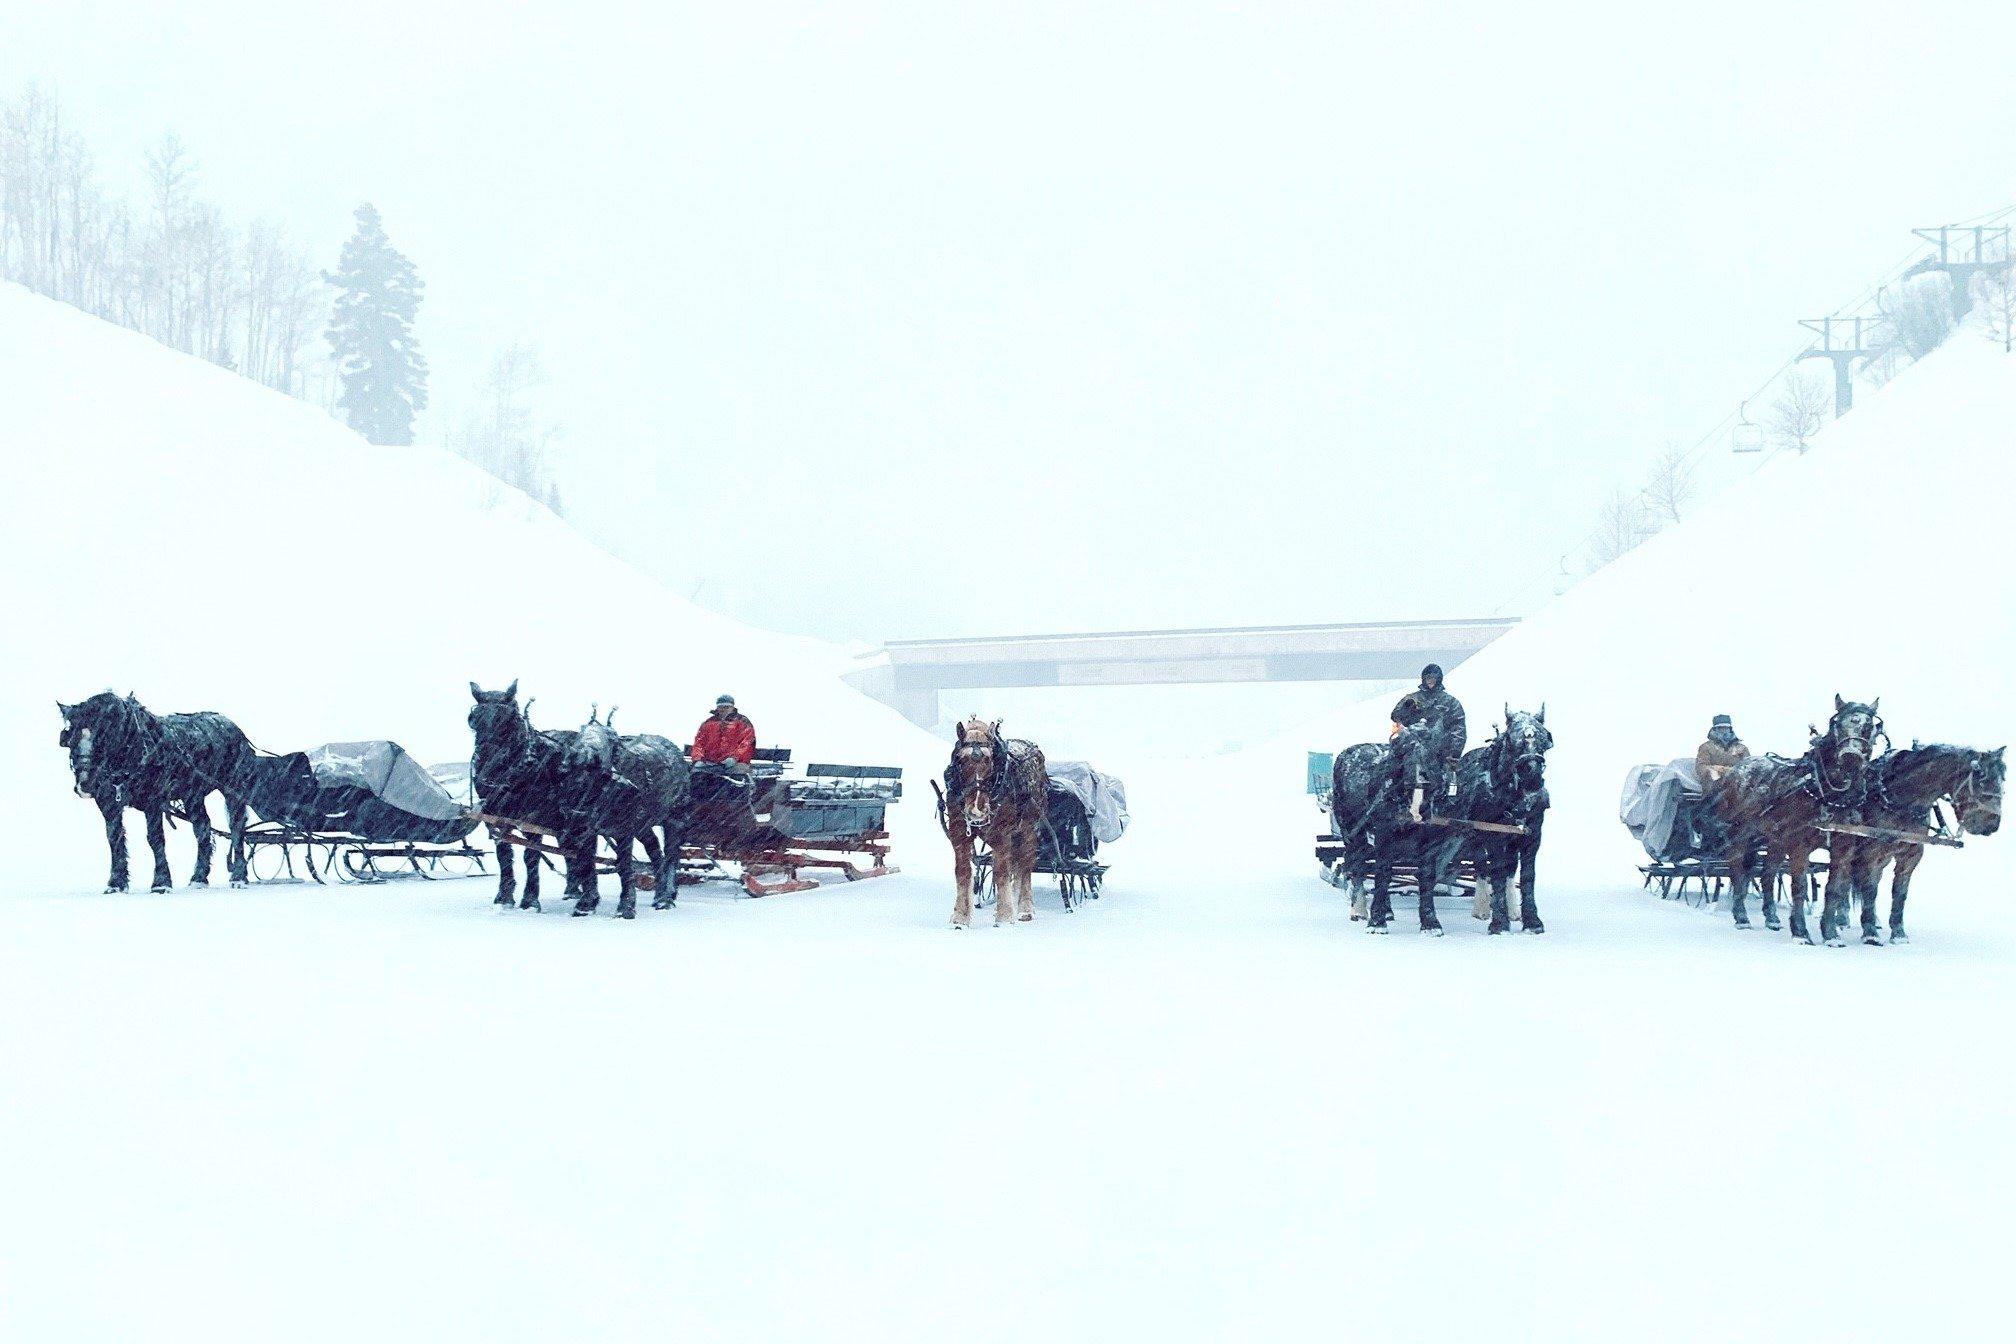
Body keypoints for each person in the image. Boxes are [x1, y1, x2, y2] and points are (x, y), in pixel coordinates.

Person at [1389, 663, 1468, 763]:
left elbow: (1458, 728)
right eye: (1428, 678)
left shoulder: (1450, 702)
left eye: (1433, 678)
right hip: (1411, 749)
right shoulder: (1412, 698)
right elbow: (1396, 716)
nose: (1430, 681)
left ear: (1438, 679)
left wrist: (1455, 752)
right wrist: (1406, 708)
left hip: (1440, 753)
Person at [690, 694, 756, 772]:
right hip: (709, 763)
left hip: (735, 763)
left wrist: (734, 758)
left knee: (737, 775)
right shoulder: (708, 723)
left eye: (727, 707)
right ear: (717, 708)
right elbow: (699, 743)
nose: (723, 709)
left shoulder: (742, 722)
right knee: (696, 774)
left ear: (732, 707)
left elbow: (748, 742)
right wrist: (698, 759)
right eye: (721, 707)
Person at [1694, 713, 1748, 789]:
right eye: (1720, 728)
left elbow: (1748, 766)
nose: (1724, 731)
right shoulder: (1706, 747)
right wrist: (1716, 770)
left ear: (1730, 729)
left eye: (1726, 728)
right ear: (1714, 729)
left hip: (1738, 785)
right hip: (1713, 787)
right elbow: (1701, 768)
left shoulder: (1742, 748)